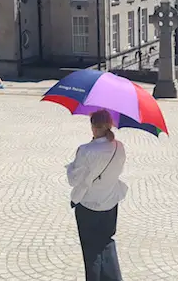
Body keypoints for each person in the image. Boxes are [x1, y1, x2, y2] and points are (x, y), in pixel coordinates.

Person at [66, 109, 127, 280]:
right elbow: (118, 171)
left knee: (91, 250)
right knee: (107, 243)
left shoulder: (85, 150)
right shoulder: (118, 147)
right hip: (110, 202)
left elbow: (73, 180)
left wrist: (71, 166)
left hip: (88, 205)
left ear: (93, 127)